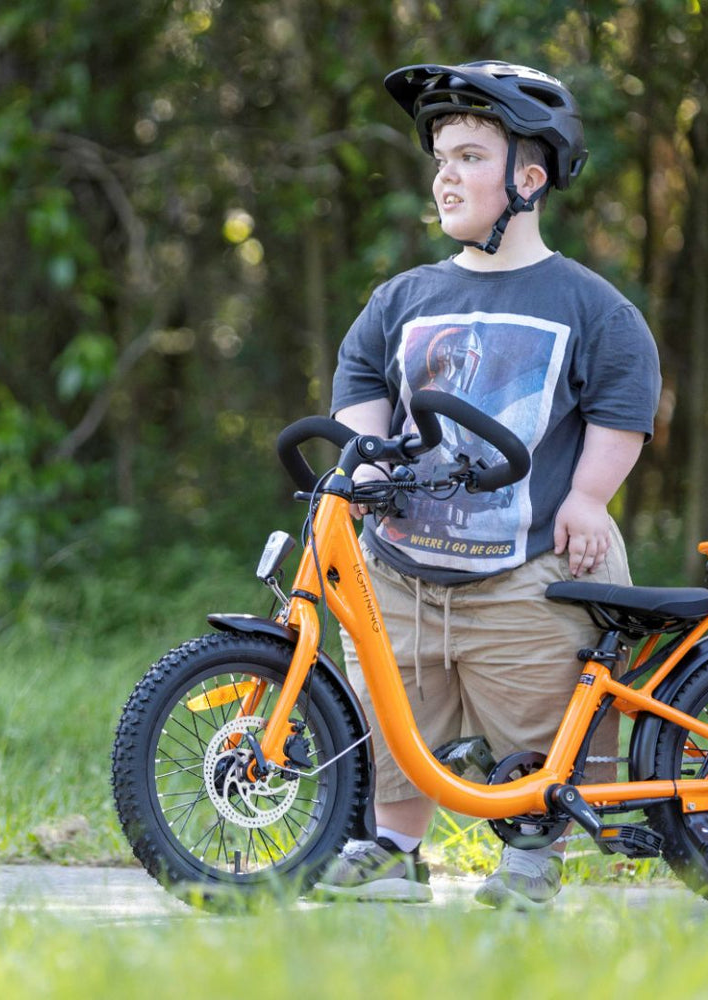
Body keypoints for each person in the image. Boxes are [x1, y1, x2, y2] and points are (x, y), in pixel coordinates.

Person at [314, 61, 662, 908]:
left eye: (469, 155)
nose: (445, 175)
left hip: (525, 563)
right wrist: (367, 457)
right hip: (404, 563)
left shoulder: (587, 304)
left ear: (528, 178)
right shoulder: (406, 295)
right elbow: (361, 375)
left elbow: (625, 398)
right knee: (396, 708)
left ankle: (532, 854)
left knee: (541, 702)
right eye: (439, 158)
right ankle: (395, 846)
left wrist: (588, 497)